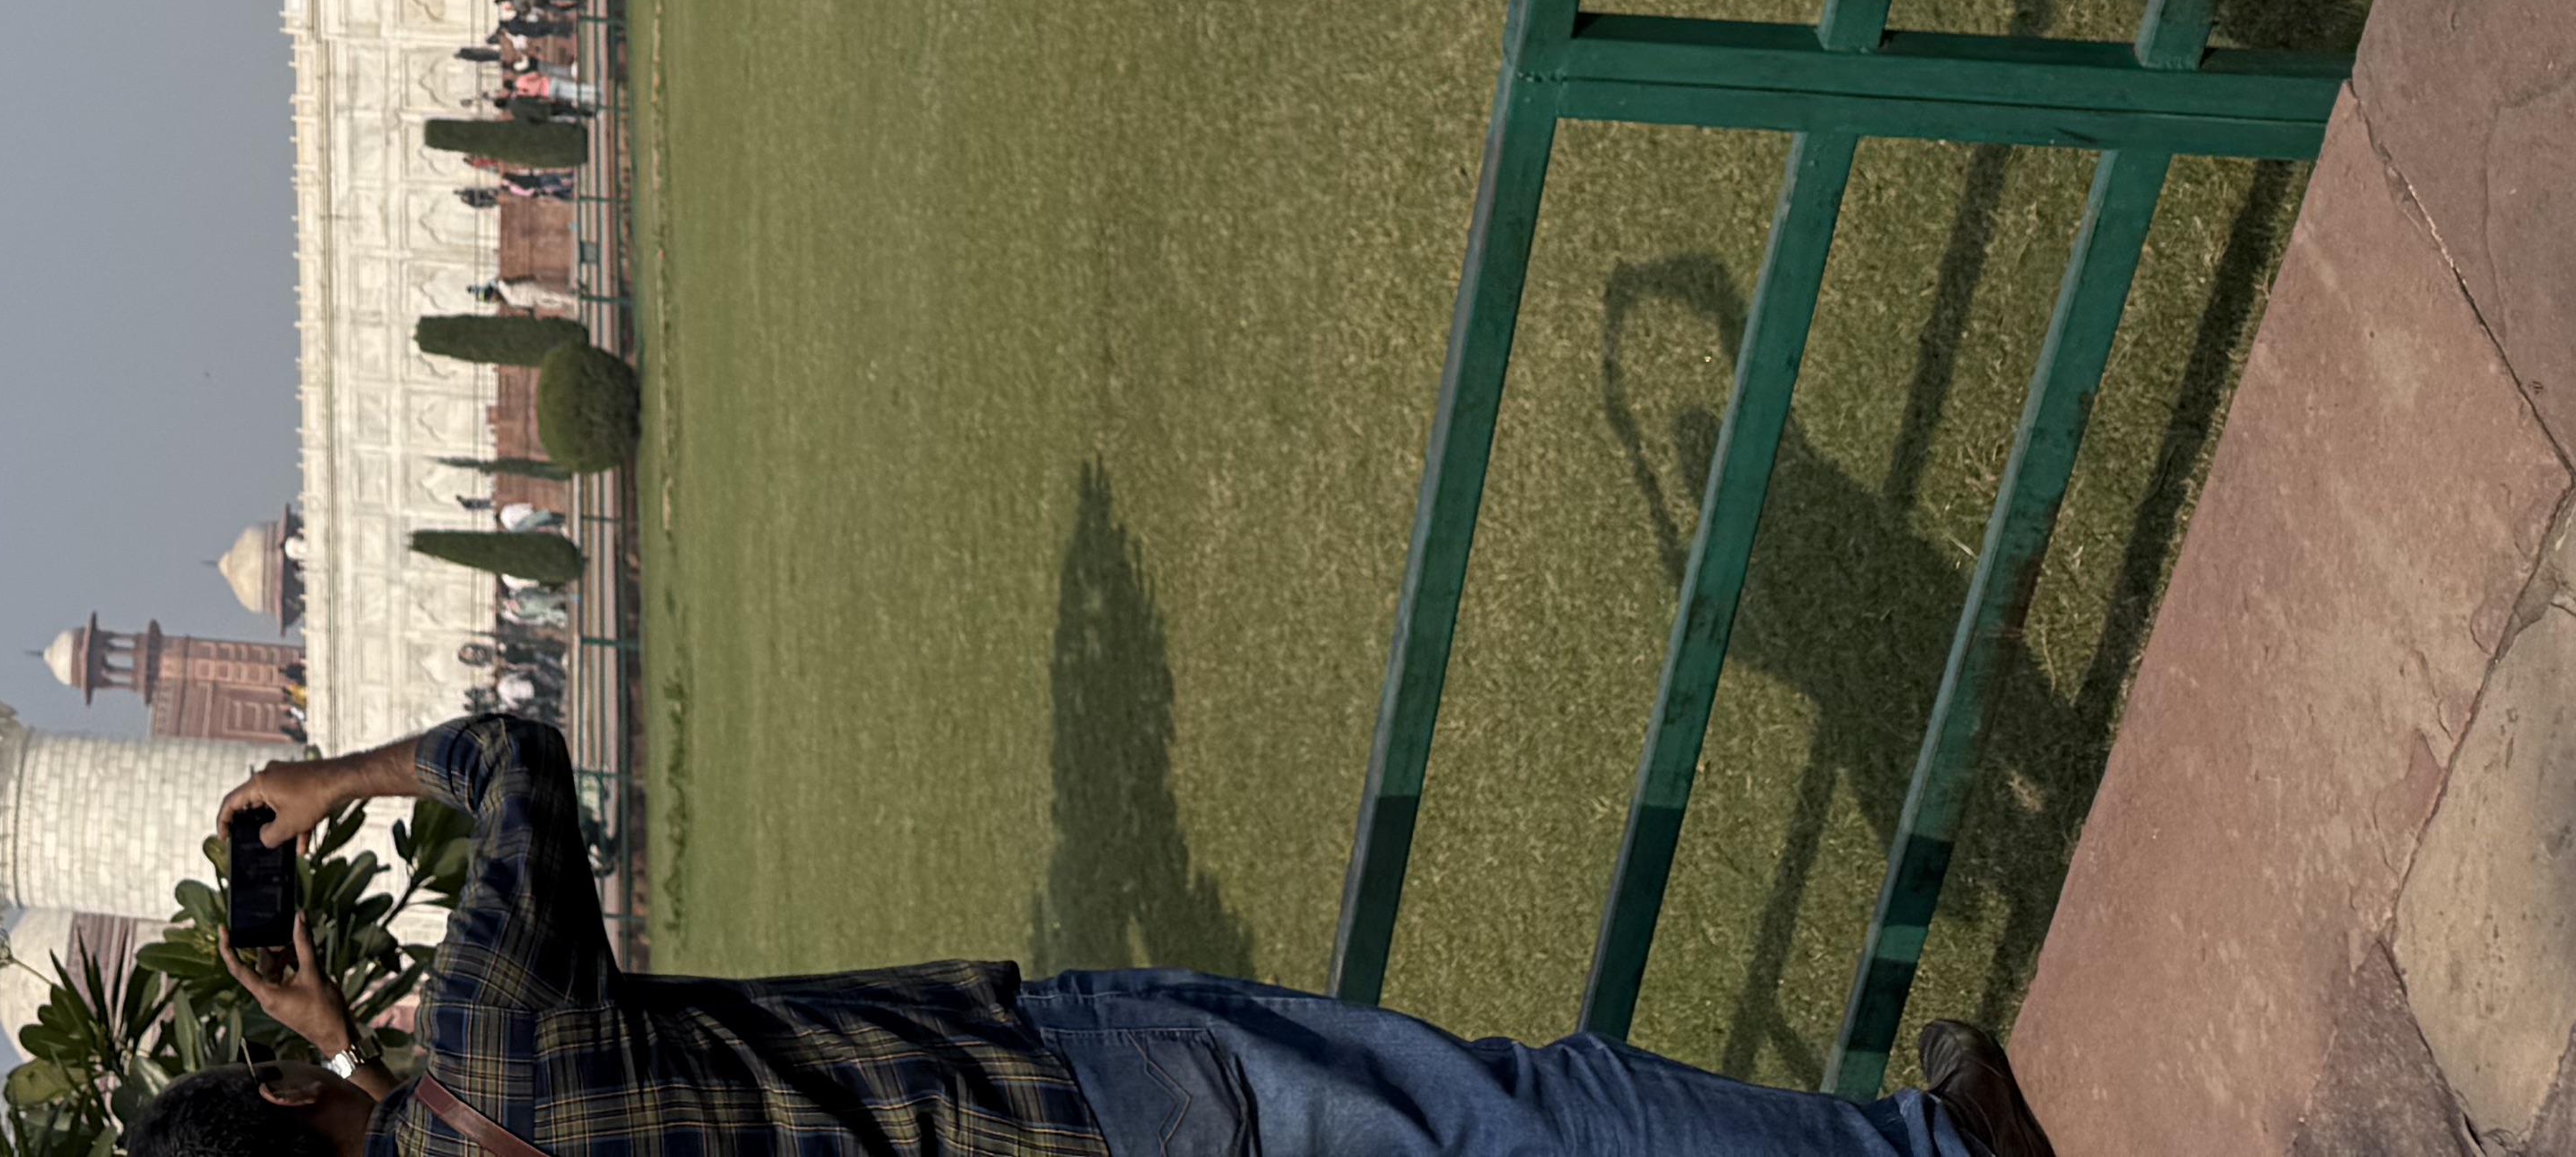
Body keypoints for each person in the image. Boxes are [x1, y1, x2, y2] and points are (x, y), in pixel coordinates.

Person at [150, 714, 2047, 1157]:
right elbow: (517, 757)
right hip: (1070, 1092)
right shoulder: (488, 1040)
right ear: (257, 1094)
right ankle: (1928, 1150)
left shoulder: (456, 1082)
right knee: (1505, 1119)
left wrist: (342, 1062)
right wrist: (335, 785)